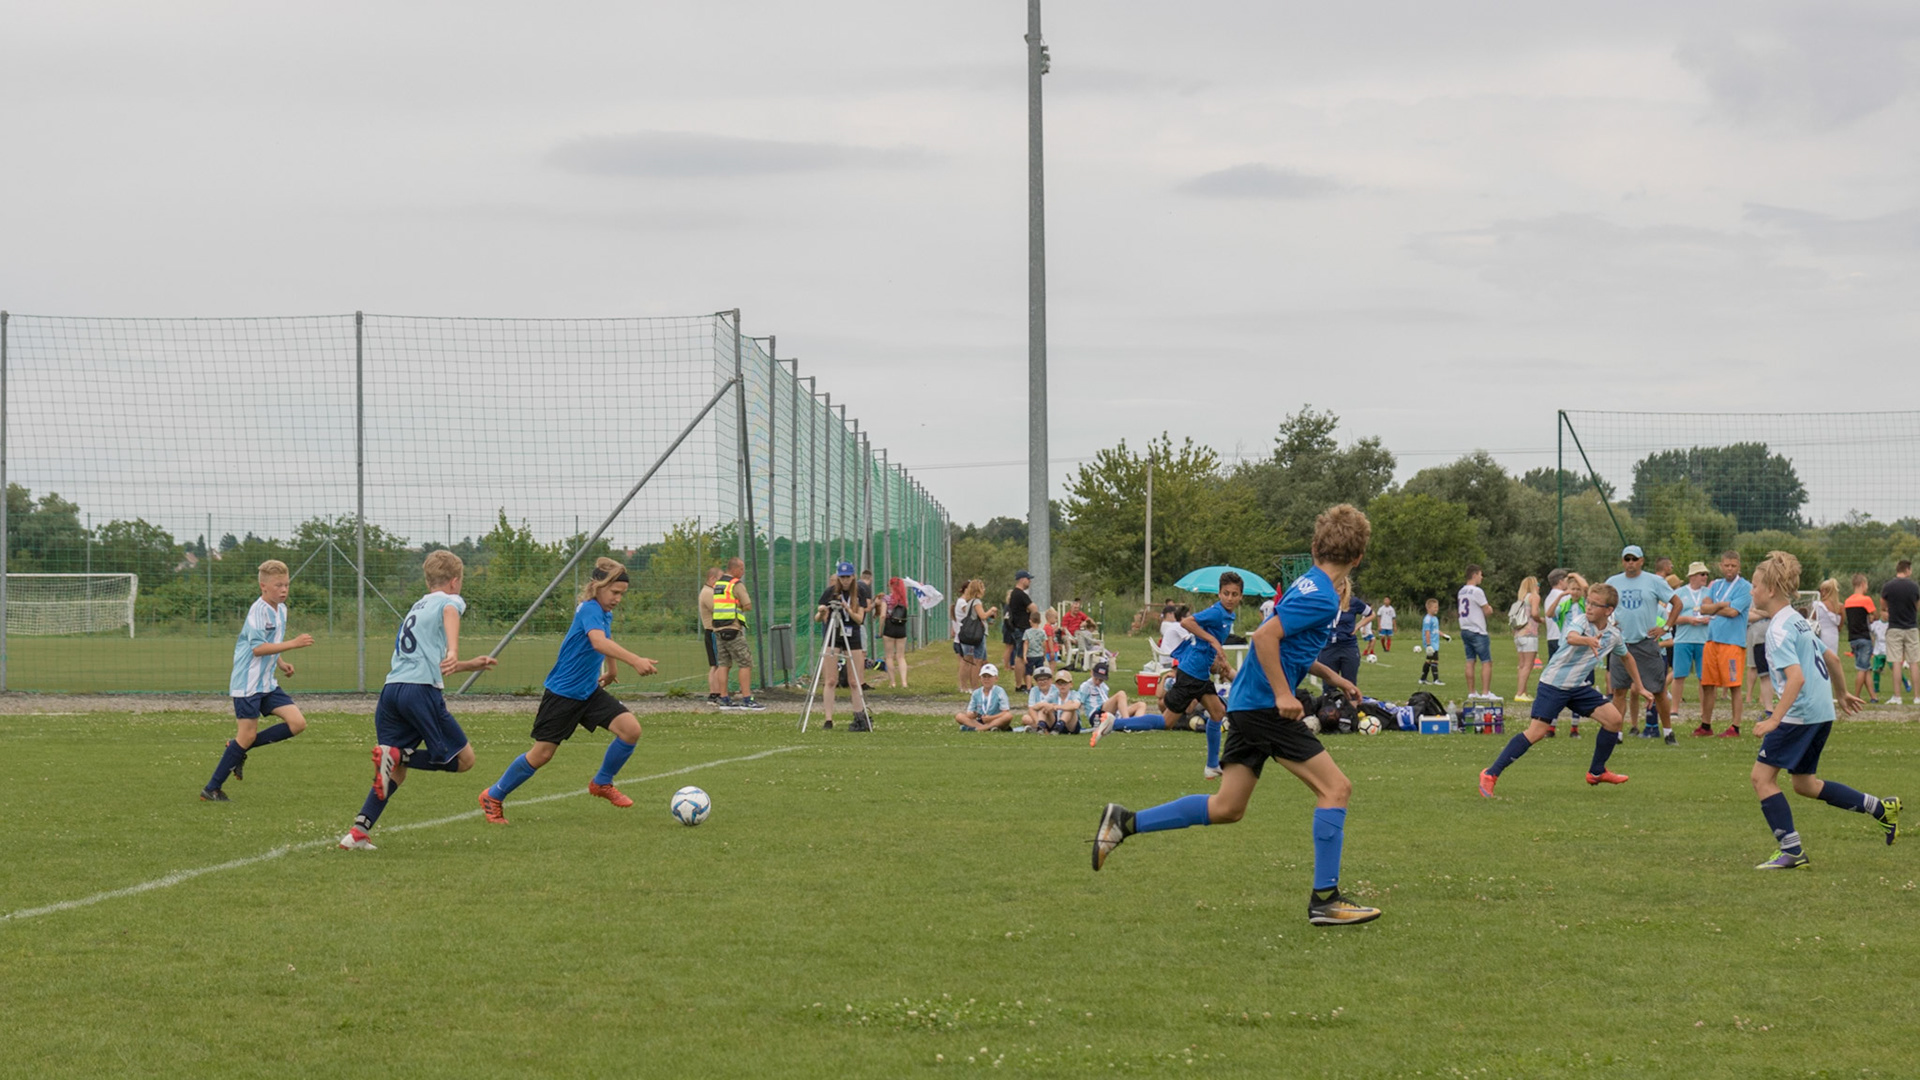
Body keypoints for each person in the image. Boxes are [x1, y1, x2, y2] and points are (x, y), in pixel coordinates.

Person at [1090, 504, 1382, 927]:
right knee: (1336, 789)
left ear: (1315, 545)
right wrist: (1284, 693)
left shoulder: (1308, 584)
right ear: (1358, 557)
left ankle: (1124, 822)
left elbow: (1289, 646)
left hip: (1248, 704)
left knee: (1227, 807)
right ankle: (1325, 900)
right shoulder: (1321, 596)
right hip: (1264, 706)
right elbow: (1265, 637)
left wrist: (1334, 676)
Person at [1745, 550, 1899, 869]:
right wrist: (1841, 694)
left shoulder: (1778, 630)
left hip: (1798, 715)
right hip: (1821, 713)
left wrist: (1774, 718)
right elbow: (1830, 657)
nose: (1752, 591)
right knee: (1804, 784)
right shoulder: (1798, 621)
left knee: (1761, 778)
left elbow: (1796, 678)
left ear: (1770, 590)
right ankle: (1880, 809)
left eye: (1755, 585)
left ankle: (1792, 850)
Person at [478, 557, 660, 824]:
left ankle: (602, 783)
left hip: (588, 691)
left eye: (622, 594)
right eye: (615, 592)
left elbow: (606, 639)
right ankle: (493, 796)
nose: (619, 599)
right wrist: (634, 660)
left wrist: (612, 670)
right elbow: (598, 642)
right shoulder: (589, 609)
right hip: (563, 694)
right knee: (542, 754)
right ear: (598, 587)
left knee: (630, 730)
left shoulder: (603, 612)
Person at [339, 551, 497, 851]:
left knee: (393, 770)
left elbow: (428, 660)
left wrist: (464, 664)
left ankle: (359, 832)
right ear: (454, 581)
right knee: (464, 761)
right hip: (420, 693)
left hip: (392, 692)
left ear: (427, 580)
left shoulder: (418, 605)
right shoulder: (449, 600)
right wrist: (453, 649)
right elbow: (451, 612)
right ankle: (397, 755)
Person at [1479, 581, 1648, 796]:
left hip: (1577, 686)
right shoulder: (1580, 621)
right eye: (1588, 602)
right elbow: (1571, 637)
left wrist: (1640, 687)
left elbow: (1627, 657)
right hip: (1554, 684)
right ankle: (1490, 774)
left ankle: (1596, 772)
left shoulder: (1612, 635)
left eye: (1595, 604)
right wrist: (1587, 641)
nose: (1589, 607)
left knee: (1614, 720)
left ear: (1609, 610)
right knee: (1537, 732)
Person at [201, 559, 316, 802]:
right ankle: (211, 788)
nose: (283, 590)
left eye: (286, 585)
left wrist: (281, 662)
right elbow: (257, 649)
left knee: (297, 723)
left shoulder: (281, 609)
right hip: (248, 684)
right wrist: (294, 644)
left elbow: (271, 644)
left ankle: (237, 748)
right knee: (247, 735)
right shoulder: (258, 611)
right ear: (263, 586)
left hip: (267, 683)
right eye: (278, 585)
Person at [1123, 573, 1243, 776]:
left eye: (1234, 594)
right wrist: (1214, 642)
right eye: (1226, 593)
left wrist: (1219, 660)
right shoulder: (1217, 612)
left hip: (1199, 672)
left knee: (1217, 713)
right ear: (1219, 593)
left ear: (1241, 597)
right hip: (1192, 672)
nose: (1230, 598)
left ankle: (1212, 765)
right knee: (1166, 722)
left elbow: (1204, 642)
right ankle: (1113, 722)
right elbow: (1187, 623)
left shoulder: (1228, 615)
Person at [1606, 545, 1679, 745]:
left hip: (1646, 642)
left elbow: (1677, 603)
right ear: (1622, 561)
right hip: (1621, 642)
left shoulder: (1654, 581)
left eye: (1634, 559)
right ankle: (1617, 733)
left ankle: (1668, 732)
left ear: (1641, 561)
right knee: (1619, 690)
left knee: (1658, 689)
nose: (1630, 563)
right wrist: (1609, 623)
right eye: (1627, 559)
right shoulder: (1613, 582)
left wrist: (1665, 627)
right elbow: (1602, 604)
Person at [1696, 550, 1752, 738]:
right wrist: (1721, 605)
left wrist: (1714, 608)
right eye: (1726, 565)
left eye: (1733, 566)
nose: (1729, 569)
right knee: (1707, 684)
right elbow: (1703, 608)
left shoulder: (1745, 587)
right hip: (1712, 639)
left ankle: (1735, 727)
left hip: (1733, 642)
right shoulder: (1716, 585)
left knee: (1733, 685)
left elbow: (1733, 612)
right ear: (1721, 565)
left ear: (1739, 566)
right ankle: (1706, 725)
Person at [817, 561, 874, 730]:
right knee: (831, 679)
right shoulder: (831, 592)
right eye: (842, 577)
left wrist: (847, 609)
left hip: (852, 634)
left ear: (853, 576)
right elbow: (818, 617)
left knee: (854, 680)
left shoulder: (860, 592)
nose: (845, 581)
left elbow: (860, 619)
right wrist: (822, 611)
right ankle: (828, 719)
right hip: (833, 634)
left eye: (848, 577)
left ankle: (859, 716)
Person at [711, 557, 763, 711]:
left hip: (718, 629)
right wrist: (738, 604)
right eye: (742, 568)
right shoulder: (736, 584)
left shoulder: (718, 584)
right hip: (733, 628)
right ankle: (747, 699)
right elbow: (747, 605)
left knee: (723, 664)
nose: (743, 572)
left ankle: (724, 698)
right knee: (745, 662)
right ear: (735, 569)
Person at [1670, 562, 1713, 710]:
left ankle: (1704, 711)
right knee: (1679, 676)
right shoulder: (1680, 593)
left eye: (1706, 574)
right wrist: (1688, 619)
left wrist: (1709, 619)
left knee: (1704, 678)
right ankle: (1674, 709)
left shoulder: (1709, 593)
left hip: (1704, 640)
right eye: (1702, 574)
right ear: (1692, 576)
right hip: (1683, 639)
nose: (1705, 577)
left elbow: (1717, 614)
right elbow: (1671, 618)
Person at [1881, 560, 1920, 706]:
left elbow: (1883, 603)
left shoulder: (1888, 586)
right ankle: (1917, 697)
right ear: (1907, 570)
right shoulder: (1914, 586)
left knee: (1896, 662)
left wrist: (1887, 611)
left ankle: (1897, 696)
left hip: (1894, 627)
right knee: (1913, 662)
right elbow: (1917, 606)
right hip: (1911, 627)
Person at [1076, 660, 1148, 737]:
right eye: (1096, 678)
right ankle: (1127, 724)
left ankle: (1136, 725)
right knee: (1121, 694)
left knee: (1141, 705)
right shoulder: (1086, 686)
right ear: (1091, 673)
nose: (1097, 682)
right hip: (1096, 715)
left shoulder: (1104, 687)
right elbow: (1078, 703)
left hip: (1109, 713)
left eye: (1100, 680)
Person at [1317, 592, 1373, 689]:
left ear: (1345, 586)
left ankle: (1351, 703)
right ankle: (1329, 703)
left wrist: (1358, 626)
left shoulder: (1353, 602)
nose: (1338, 586)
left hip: (1348, 646)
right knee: (1328, 686)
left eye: (1341, 584)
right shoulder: (1323, 601)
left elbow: (1371, 614)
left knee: (1350, 685)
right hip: (1328, 646)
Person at [951, 579, 996, 691]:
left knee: (973, 660)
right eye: (983, 588)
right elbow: (983, 616)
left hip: (969, 634)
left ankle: (971, 685)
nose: (984, 590)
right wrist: (991, 610)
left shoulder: (969, 602)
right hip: (977, 635)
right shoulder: (976, 602)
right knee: (977, 661)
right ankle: (975, 686)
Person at [1457, 566, 1494, 700]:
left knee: (1470, 661)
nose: (1481, 577)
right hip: (1477, 630)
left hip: (1465, 628)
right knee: (1486, 662)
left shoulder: (1461, 591)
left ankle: (1472, 692)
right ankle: (1485, 693)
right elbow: (1487, 610)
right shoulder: (1477, 591)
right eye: (1480, 574)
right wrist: (1490, 609)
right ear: (1474, 575)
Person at [954, 663, 1015, 730]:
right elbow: (970, 712)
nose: (986, 679)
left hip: (995, 719)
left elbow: (1005, 712)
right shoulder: (976, 693)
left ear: (996, 678)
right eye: (984, 676)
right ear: (980, 678)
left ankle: (982, 728)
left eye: (989, 677)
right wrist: (973, 714)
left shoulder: (1000, 691)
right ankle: (983, 728)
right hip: (980, 720)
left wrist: (991, 718)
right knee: (959, 716)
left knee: (1008, 716)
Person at [1510, 576, 1541, 702]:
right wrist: (1541, 620)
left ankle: (1523, 691)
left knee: (1522, 665)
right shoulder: (1534, 597)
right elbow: (1534, 614)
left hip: (1518, 634)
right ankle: (1520, 693)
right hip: (1529, 634)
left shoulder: (1520, 600)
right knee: (1528, 665)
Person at [1003, 571, 1035, 692]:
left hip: (1018, 627)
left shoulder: (1015, 594)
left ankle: (1024, 683)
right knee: (1021, 657)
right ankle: (1019, 685)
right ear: (1022, 579)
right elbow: (1034, 608)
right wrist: (1031, 615)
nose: (1030, 581)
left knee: (1021, 655)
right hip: (1021, 628)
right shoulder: (1020, 594)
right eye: (1028, 579)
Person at [698, 566, 724, 706]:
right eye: (720, 579)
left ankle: (717, 693)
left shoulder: (711, 591)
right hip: (713, 631)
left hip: (715, 631)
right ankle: (715, 694)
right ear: (713, 578)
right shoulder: (707, 593)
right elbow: (718, 609)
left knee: (717, 664)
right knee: (717, 664)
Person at [881, 576, 912, 688]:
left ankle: (893, 682)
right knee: (901, 656)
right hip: (901, 628)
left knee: (889, 656)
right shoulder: (904, 600)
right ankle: (904, 682)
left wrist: (881, 630)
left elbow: (883, 615)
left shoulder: (886, 599)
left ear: (891, 586)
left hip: (889, 627)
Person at [1539, 569, 1569, 665]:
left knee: (1553, 666)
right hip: (1561, 636)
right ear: (1561, 581)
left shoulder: (1549, 596)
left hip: (1551, 636)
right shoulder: (1564, 596)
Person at [1812, 579, 1844, 658]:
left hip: (1821, 634)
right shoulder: (1840, 607)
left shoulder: (1818, 605)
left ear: (1824, 591)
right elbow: (1840, 626)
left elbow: (1813, 621)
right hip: (1833, 635)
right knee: (1832, 657)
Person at [1419, 598, 1443, 685]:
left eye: (1437, 607)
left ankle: (1422, 679)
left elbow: (1436, 630)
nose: (1436, 609)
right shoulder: (1427, 619)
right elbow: (1427, 632)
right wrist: (1428, 645)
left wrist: (1444, 636)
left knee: (1428, 661)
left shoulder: (1435, 618)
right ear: (1428, 608)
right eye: (1435, 607)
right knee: (1435, 661)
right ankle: (1436, 680)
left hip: (1435, 643)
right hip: (1431, 643)